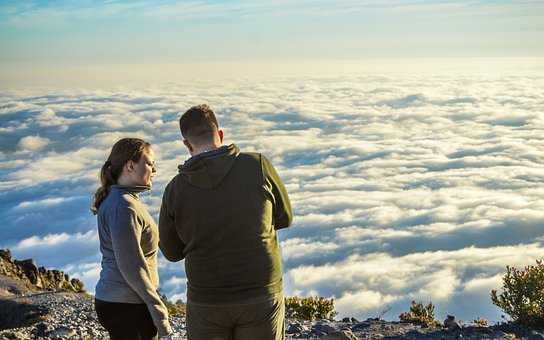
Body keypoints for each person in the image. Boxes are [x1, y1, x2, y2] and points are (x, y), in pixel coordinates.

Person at [159, 104, 293, 340]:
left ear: (187, 145)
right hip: (260, 290)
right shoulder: (258, 166)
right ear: (220, 134)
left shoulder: (175, 189)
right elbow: (285, 218)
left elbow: (171, 251)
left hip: (206, 297)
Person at [91, 138, 173, 340]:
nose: (154, 170)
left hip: (121, 302)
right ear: (130, 166)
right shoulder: (124, 207)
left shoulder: (120, 200)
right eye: (150, 164)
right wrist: (159, 313)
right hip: (128, 306)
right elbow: (131, 266)